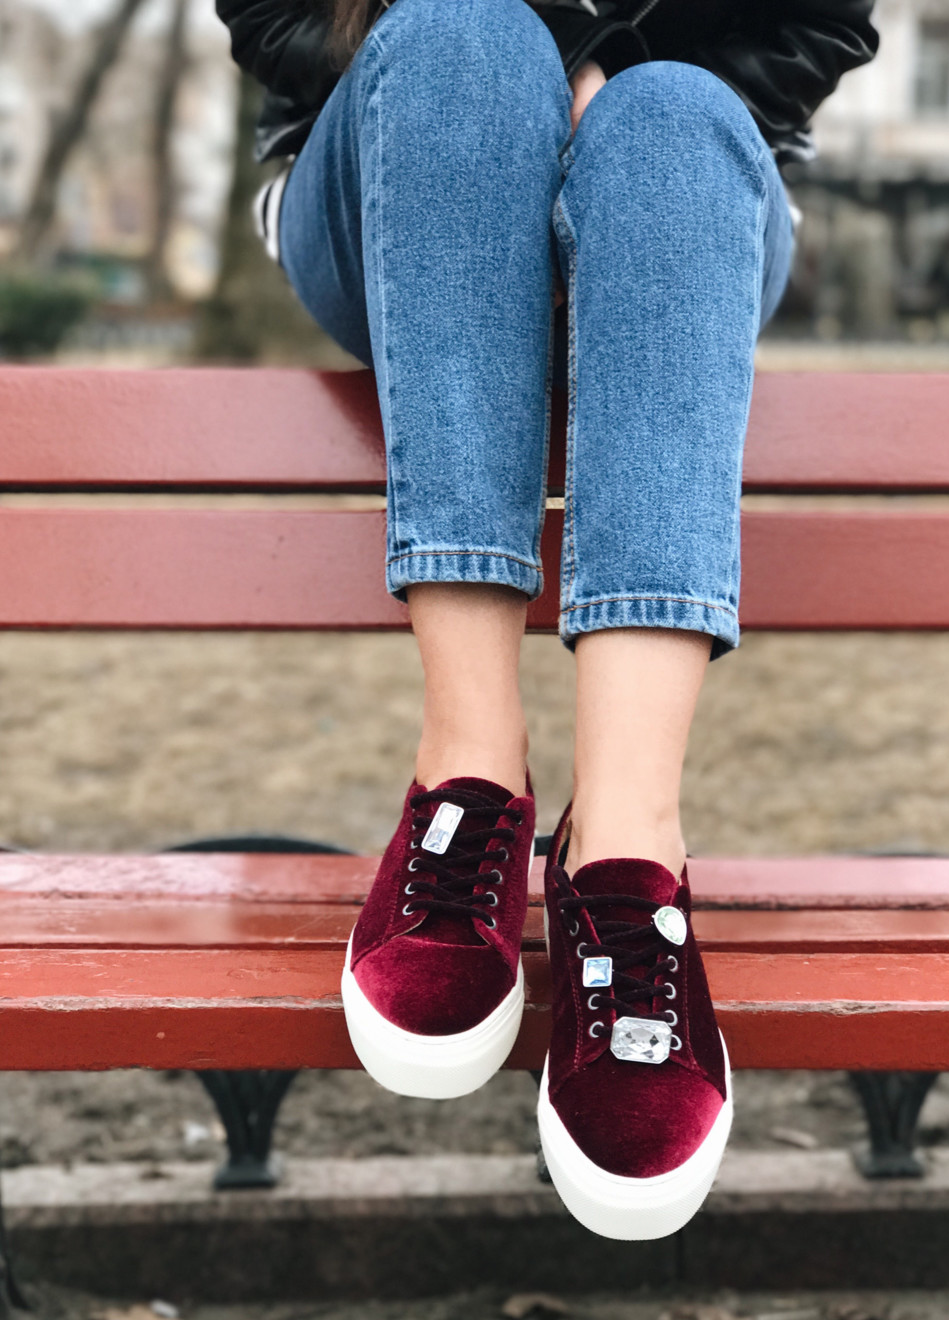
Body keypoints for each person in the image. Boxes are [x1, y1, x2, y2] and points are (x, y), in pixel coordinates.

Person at [217, 0, 878, 1241]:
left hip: (694, 190)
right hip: (395, 159)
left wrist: (610, 76)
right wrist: (549, 62)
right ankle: (470, 776)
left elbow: (819, 20)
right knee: (468, 38)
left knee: (673, 119)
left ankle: (624, 854)